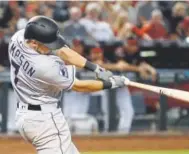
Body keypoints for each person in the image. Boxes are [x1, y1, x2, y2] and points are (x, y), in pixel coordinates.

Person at [10, 16, 129, 154]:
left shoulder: (18, 38)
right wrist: (110, 84)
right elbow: (79, 86)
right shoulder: (44, 66)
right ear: (34, 43)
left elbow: (62, 50)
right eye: (48, 45)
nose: (52, 47)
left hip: (26, 116)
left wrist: (95, 68)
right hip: (45, 120)